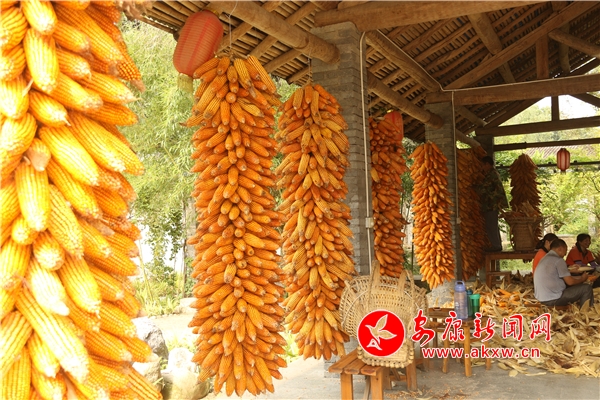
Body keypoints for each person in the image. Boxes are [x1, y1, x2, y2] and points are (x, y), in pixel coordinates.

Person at [534, 239, 594, 308]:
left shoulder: (544, 258)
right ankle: (585, 312)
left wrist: (579, 277)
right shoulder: (558, 260)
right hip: (553, 299)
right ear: (560, 249)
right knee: (586, 288)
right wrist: (583, 279)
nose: (565, 254)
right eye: (565, 251)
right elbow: (570, 282)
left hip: (541, 298)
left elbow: (559, 276)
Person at [478, 156, 509, 252]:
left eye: (483, 165)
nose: (482, 168)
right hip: (491, 204)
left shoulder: (492, 175)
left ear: (487, 164)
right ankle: (496, 244)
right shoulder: (492, 174)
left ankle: (496, 246)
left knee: (491, 226)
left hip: (491, 204)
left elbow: (485, 189)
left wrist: (476, 188)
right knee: (492, 225)